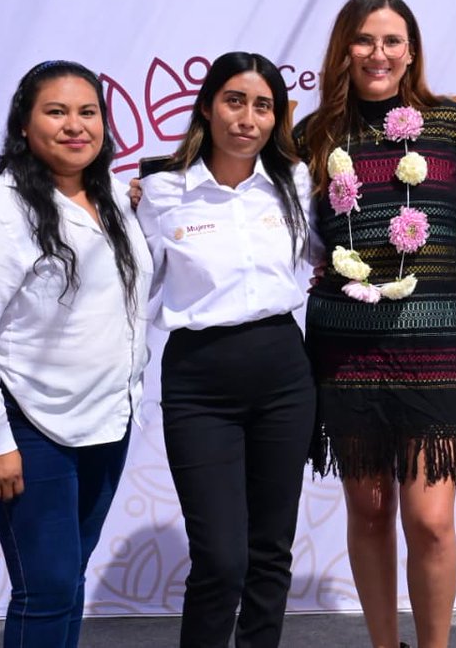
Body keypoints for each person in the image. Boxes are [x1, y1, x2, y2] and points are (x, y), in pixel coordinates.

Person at [294, 0, 456, 648]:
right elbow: (251, 197)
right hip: (345, 351)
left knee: (432, 520)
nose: (377, 54)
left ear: (411, 52)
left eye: (391, 41)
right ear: (343, 50)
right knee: (371, 511)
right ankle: (387, 645)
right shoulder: (313, 134)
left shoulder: (451, 125)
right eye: (364, 40)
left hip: (433, 349)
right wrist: (156, 184)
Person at [0, 60, 151, 647]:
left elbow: (125, 299)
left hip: (108, 419)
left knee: (68, 581)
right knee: (47, 586)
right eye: (55, 112)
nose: (74, 126)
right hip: (28, 427)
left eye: (87, 112)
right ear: (25, 125)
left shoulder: (112, 196)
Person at [136, 52, 317, 648]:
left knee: (270, 551)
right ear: (208, 106)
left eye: (263, 105)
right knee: (220, 557)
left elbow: (327, 252)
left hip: (283, 374)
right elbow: (134, 287)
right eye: (235, 101)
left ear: (277, 116)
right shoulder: (161, 192)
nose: (248, 117)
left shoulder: (295, 182)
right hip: (199, 381)